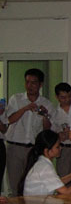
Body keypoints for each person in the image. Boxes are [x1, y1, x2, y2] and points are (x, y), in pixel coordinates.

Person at [4, 68, 53, 196]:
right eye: (27, 82)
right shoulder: (16, 99)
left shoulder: (46, 103)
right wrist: (25, 108)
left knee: (32, 185)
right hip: (15, 147)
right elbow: (9, 120)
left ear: (40, 84)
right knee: (14, 186)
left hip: (33, 149)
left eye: (33, 82)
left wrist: (45, 116)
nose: (29, 86)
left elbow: (47, 129)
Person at [50, 82, 71, 178]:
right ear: (57, 97)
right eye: (63, 97)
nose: (67, 100)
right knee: (64, 178)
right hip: (64, 149)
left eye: (70, 96)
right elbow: (52, 132)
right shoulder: (54, 112)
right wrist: (59, 135)